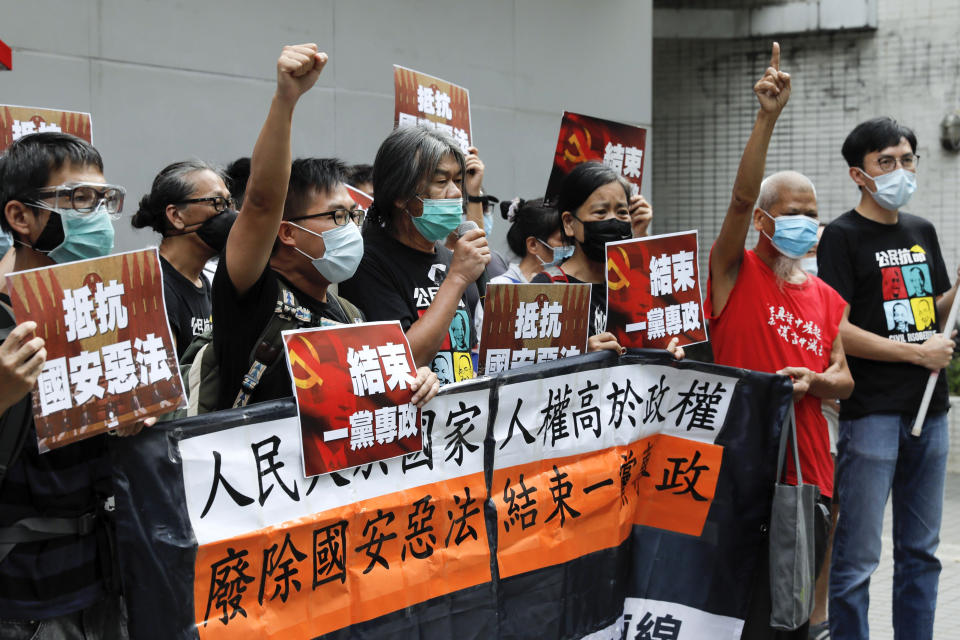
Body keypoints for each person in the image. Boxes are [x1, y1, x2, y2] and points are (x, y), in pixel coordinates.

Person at [704, 43, 853, 639]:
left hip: (808, 463)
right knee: (737, 605)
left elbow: (843, 377)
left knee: (790, 606)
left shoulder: (823, 295)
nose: (806, 224)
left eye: (813, 214)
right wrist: (767, 117)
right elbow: (740, 199)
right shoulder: (733, 271)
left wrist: (816, 381)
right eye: (793, 212)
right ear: (765, 221)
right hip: (739, 461)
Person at [211, 45, 439, 412]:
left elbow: (369, 403)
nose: (351, 228)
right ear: (286, 232)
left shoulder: (350, 315)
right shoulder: (252, 294)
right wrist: (286, 100)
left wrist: (418, 380)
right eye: (337, 217)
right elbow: (261, 203)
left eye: (354, 216)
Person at [818, 115, 958, 640]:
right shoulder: (842, 236)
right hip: (872, 412)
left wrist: (955, 293)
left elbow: (932, 309)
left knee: (922, 553)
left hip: (931, 411)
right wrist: (913, 354)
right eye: (886, 162)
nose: (900, 170)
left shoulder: (921, 230)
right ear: (859, 174)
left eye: (906, 160)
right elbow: (836, 326)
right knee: (857, 558)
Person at [0, 132, 143, 636]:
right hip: (24, 595)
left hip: (101, 577)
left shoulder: (103, 311)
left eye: (105, 200)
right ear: (21, 218)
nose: (99, 215)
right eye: (80, 200)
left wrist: (136, 417)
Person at [339, 126, 490, 383]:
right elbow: (401, 359)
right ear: (401, 195)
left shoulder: (448, 259)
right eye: (442, 182)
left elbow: (461, 353)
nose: (455, 193)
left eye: (458, 181)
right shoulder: (367, 262)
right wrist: (455, 280)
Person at [530, 161, 653, 352]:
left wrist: (666, 352)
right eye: (600, 212)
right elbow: (530, 367)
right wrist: (581, 354)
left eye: (622, 212)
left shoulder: (635, 287)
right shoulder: (547, 289)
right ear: (569, 223)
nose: (613, 221)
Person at [132, 160, 235, 358]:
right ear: (176, 215)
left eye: (229, 203)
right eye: (218, 203)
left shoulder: (204, 282)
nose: (229, 214)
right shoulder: (154, 288)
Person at [491, 197, 570, 285]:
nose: (569, 246)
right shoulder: (500, 286)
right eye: (562, 239)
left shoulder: (564, 284)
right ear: (533, 245)